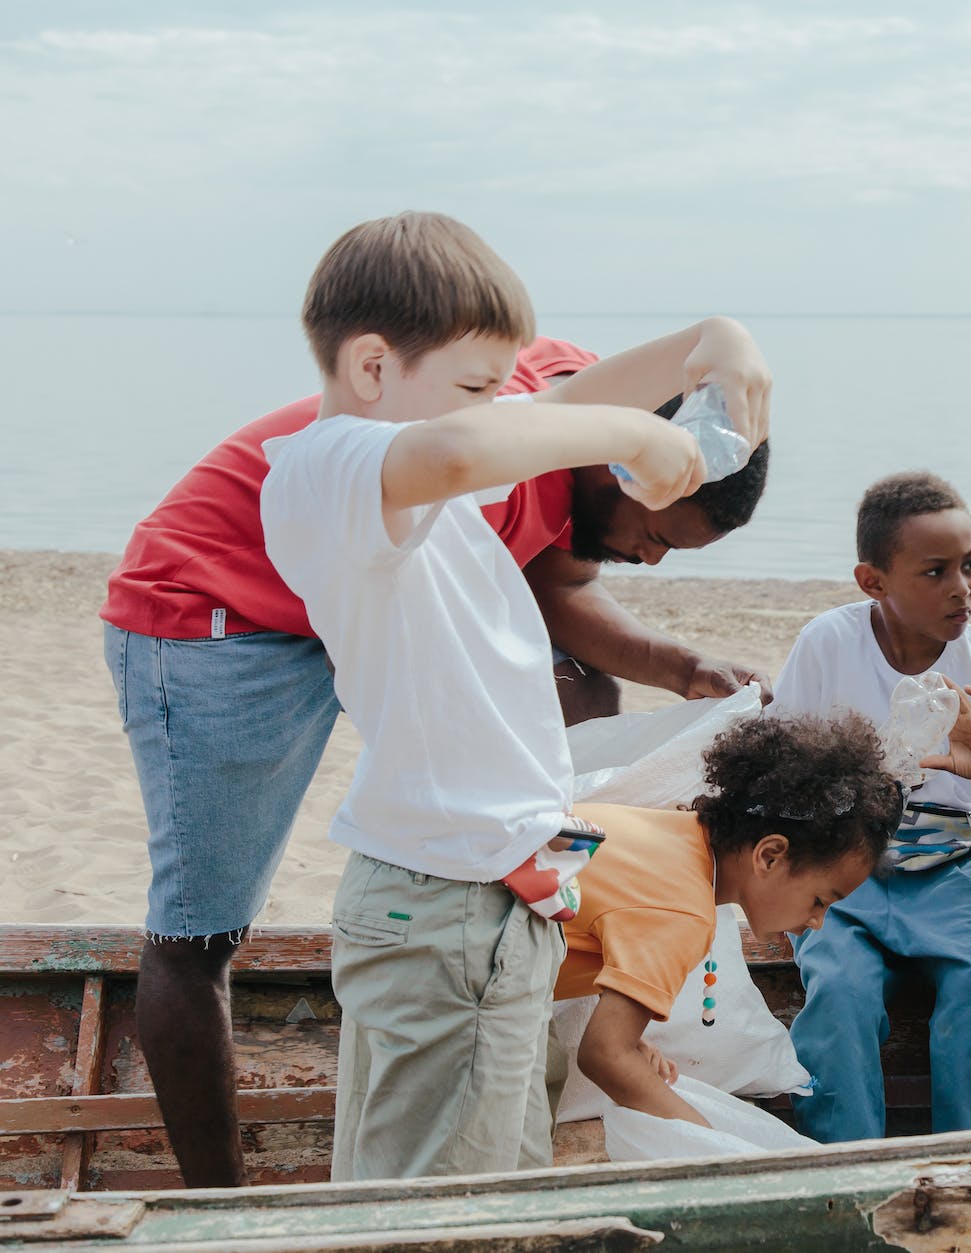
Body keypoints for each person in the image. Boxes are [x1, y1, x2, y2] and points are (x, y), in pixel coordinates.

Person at [102, 323, 771, 1184]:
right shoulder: (478, 458)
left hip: (350, 623)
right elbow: (479, 463)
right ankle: (225, 1208)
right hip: (218, 618)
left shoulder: (568, 404)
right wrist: (645, 425)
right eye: (660, 534)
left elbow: (557, 579)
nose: (649, 558)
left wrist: (680, 666)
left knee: (584, 690)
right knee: (199, 935)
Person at [256, 210, 720, 1179]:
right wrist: (634, 432)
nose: (493, 406)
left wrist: (708, 350)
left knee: (495, 1196)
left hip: (491, 901)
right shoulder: (330, 468)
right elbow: (468, 446)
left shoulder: (417, 491)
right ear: (372, 367)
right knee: (435, 1214)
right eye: (473, 384)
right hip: (444, 906)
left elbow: (539, 412)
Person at [769, 472, 971, 1141]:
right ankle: (844, 1175)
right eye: (936, 571)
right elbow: (781, 769)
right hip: (846, 867)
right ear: (873, 581)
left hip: (963, 863)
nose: (962, 588)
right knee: (839, 994)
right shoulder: (828, 643)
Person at [555, 714, 900, 1125]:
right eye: (820, 900)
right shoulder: (683, 911)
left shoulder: (673, 830)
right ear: (769, 856)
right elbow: (603, 1055)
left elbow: (599, 917)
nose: (818, 922)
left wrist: (630, 1040)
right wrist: (714, 1150)